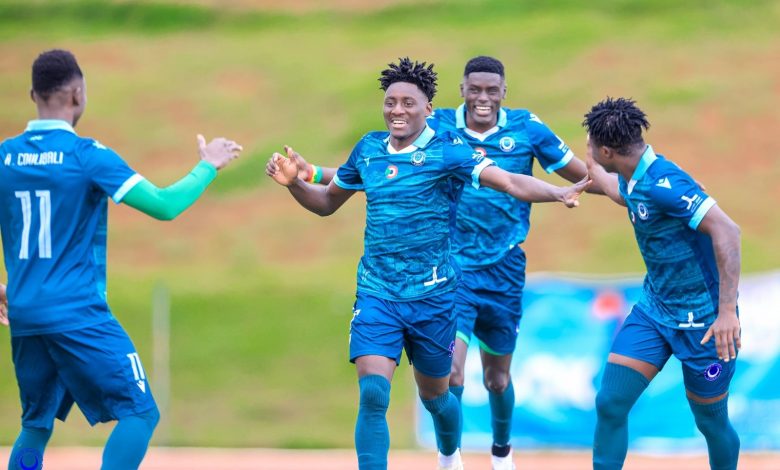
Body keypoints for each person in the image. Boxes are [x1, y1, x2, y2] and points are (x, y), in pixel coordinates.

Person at [266, 57, 589, 470]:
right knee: (373, 394)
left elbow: (509, 180)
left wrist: (557, 192)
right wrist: (295, 183)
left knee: (438, 396)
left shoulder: (448, 151)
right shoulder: (368, 149)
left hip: (433, 296)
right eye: (390, 102)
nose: (397, 110)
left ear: (428, 109)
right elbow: (327, 203)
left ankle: (450, 455)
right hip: (378, 292)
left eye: (408, 103)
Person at [0, 49, 242, 470]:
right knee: (140, 413)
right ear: (78, 94)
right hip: (76, 312)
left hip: (25, 314)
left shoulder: (5, 156)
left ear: (32, 95)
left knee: (36, 424)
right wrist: (207, 166)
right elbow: (165, 205)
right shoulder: (87, 155)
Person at [427, 56, 595, 470]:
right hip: (452, 268)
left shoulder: (527, 128)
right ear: (462, 90)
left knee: (496, 378)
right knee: (451, 373)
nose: (482, 98)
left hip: (504, 270)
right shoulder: (438, 126)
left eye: (491, 90)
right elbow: (385, 162)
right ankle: (449, 456)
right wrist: (318, 175)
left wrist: (633, 188)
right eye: (474, 89)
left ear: (504, 92)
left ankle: (502, 451)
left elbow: (581, 175)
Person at [583, 97, 741, 470]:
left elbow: (727, 231)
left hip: (704, 322)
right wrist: (571, 166)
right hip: (655, 312)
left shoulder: (663, 184)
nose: (589, 149)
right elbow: (611, 187)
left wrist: (726, 313)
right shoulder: (634, 177)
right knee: (610, 403)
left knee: (711, 422)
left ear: (607, 151)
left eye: (592, 145)